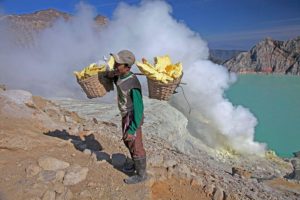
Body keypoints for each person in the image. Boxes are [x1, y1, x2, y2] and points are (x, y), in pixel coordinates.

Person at [107, 50, 147, 184]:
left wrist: (132, 128)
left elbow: (139, 108)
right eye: (115, 62)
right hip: (126, 115)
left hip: (133, 116)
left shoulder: (133, 84)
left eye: (118, 64)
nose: (115, 65)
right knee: (128, 141)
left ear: (127, 67)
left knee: (135, 144)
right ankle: (135, 164)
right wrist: (111, 74)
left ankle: (141, 175)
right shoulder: (120, 75)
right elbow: (115, 79)